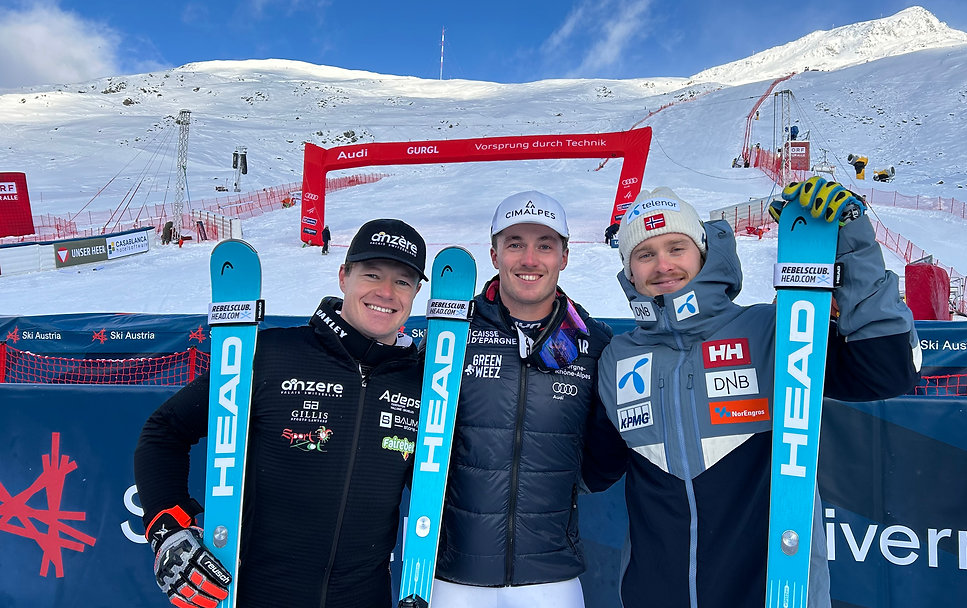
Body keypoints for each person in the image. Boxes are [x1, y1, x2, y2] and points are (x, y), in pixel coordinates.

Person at [595, 180, 920, 608]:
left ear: (703, 252)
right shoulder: (617, 357)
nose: (663, 264)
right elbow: (594, 469)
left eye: (677, 247)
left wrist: (850, 245)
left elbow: (885, 372)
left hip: (770, 591)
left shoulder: (771, 330)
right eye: (645, 253)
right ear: (629, 270)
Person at [134, 218, 429, 608]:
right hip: (259, 594)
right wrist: (168, 529)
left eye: (403, 282)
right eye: (372, 274)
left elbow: (439, 488)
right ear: (343, 277)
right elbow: (164, 432)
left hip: (364, 597)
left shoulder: (423, 384)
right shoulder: (270, 355)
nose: (386, 292)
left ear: (416, 294)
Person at [431, 191, 620, 608]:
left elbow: (604, 460)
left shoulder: (593, 342)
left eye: (545, 245)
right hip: (453, 573)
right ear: (495, 253)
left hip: (550, 576)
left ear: (564, 257)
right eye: (515, 243)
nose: (529, 259)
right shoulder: (449, 333)